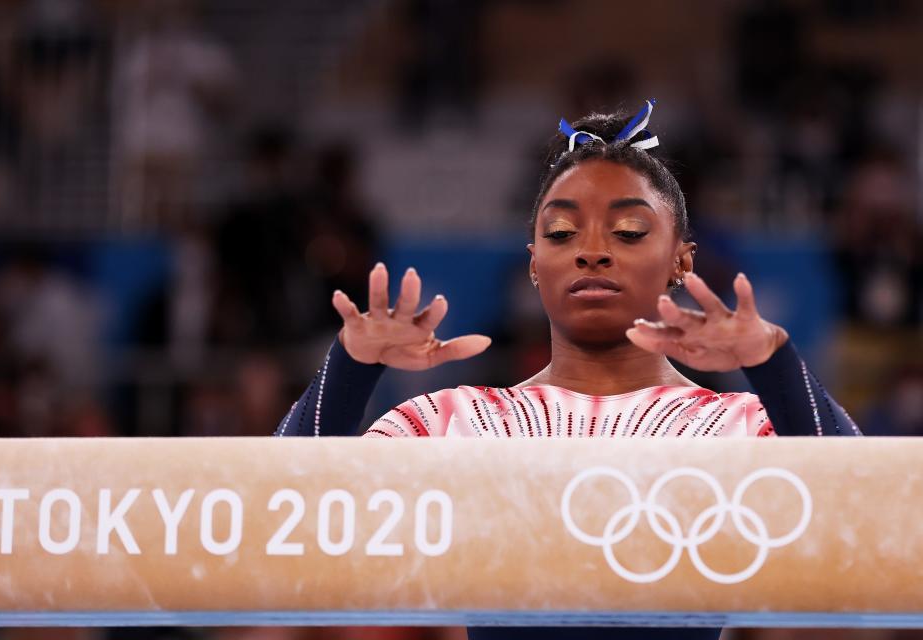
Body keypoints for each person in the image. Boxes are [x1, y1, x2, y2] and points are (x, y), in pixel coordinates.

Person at [274, 103, 862, 639]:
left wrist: (774, 362)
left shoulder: (742, 429)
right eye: (561, 232)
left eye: (629, 231)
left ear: (682, 258)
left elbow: (865, 507)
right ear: (534, 262)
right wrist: (351, 366)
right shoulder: (452, 425)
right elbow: (275, 515)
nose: (592, 250)